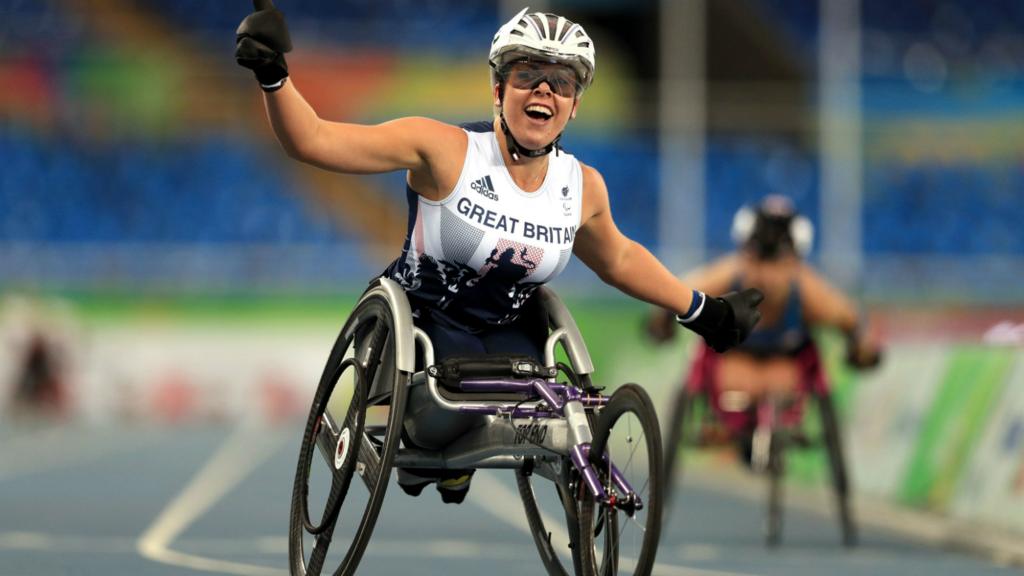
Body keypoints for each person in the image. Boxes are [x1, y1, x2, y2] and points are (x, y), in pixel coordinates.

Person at [235, 2, 763, 503]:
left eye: (561, 82)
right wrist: (274, 77)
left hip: (512, 332)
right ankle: (434, 454)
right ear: (498, 89)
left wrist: (702, 310)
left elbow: (619, 259)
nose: (544, 90)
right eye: (527, 74)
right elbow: (314, 140)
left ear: (574, 104)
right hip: (424, 323)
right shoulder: (443, 149)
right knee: (455, 408)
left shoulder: (582, 187)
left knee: (554, 408)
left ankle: (470, 455)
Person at [647, 195, 882, 457]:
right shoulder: (728, 273)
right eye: (760, 261)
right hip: (732, 366)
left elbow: (851, 319)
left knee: (779, 380)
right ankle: (733, 427)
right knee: (737, 380)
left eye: (778, 263)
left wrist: (862, 347)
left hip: (783, 372)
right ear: (745, 255)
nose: (768, 275)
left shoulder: (807, 289)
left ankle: (772, 425)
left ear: (794, 263)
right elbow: (677, 294)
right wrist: (662, 322)